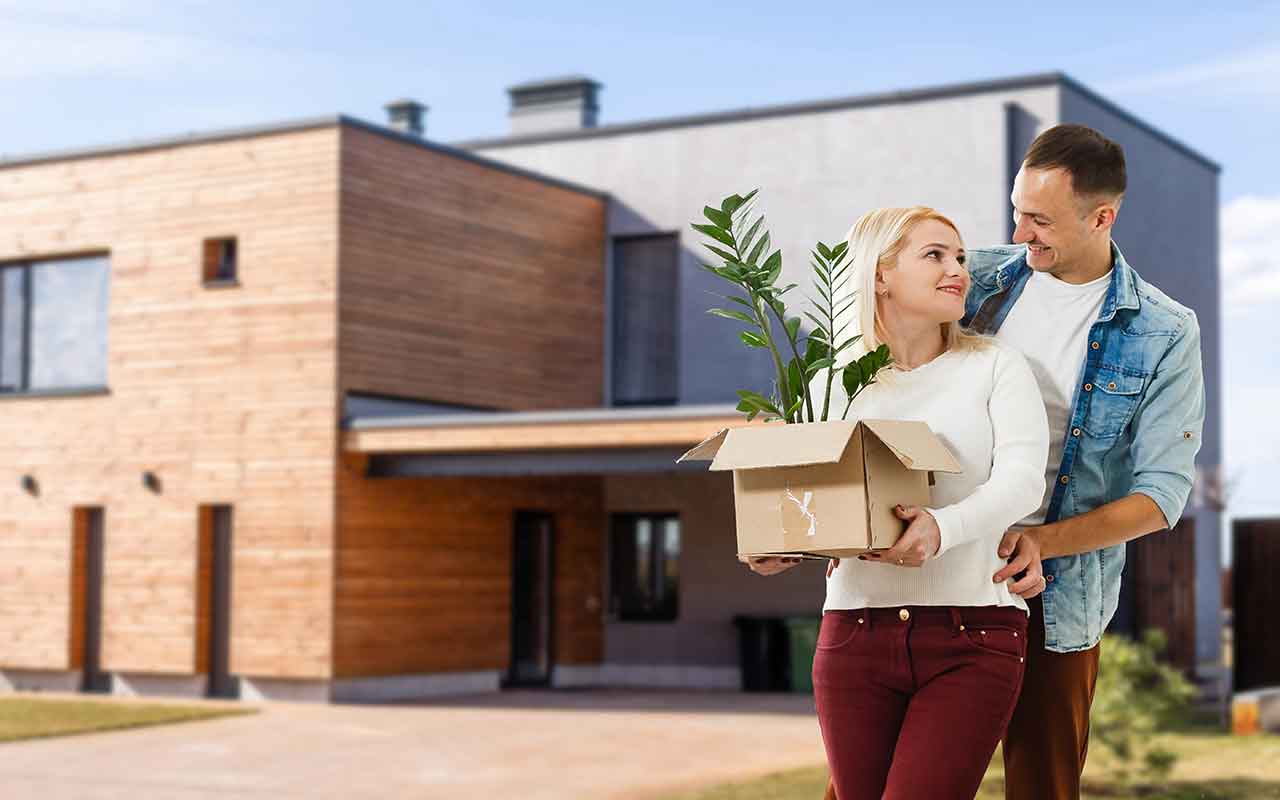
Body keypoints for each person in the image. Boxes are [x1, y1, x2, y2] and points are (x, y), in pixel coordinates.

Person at [743, 205, 1050, 800]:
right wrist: (779, 546)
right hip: (853, 632)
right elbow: (812, 500)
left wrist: (940, 527)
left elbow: (1021, 481)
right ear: (879, 275)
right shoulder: (828, 382)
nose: (957, 269)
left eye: (959, 257)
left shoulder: (995, 367)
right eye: (934, 255)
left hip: (973, 633)